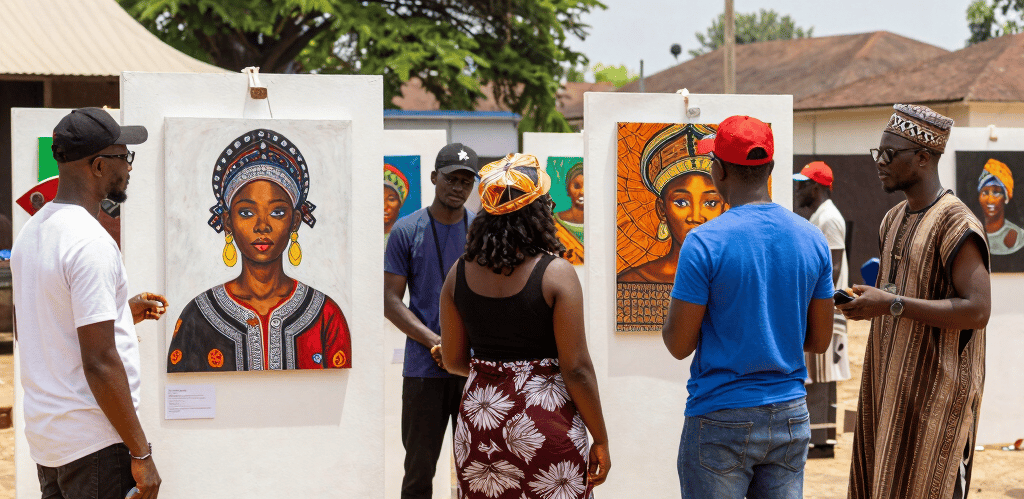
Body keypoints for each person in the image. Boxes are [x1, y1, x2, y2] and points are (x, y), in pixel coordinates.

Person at [662, 115, 834, 499]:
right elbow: (820, 340)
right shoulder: (812, 239)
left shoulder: (703, 243)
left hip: (720, 414)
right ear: (770, 169)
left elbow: (677, 345)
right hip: (789, 412)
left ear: (718, 171)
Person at [12, 107, 168, 499]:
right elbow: (99, 362)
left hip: (52, 441)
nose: (129, 168)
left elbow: (49, 322)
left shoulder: (33, 233)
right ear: (98, 165)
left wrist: (118, 313)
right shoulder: (91, 242)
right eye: (124, 157)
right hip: (95, 445)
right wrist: (141, 452)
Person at [840, 104, 990, 499]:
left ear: (923, 158)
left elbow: (978, 309)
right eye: (878, 153)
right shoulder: (892, 219)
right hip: (890, 394)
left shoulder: (958, 223)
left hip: (936, 403)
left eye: (890, 154)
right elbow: (899, 296)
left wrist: (891, 305)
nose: (880, 163)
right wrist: (868, 304)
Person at [439, 153, 610, 499]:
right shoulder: (555, 273)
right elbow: (576, 367)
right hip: (545, 423)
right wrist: (601, 438)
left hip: (479, 427)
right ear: (538, 211)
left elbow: (454, 361)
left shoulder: (459, 272)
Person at [167, 129, 351, 372]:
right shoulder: (198, 315)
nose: (262, 226)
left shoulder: (326, 315)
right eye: (246, 212)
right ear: (228, 221)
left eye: (277, 212)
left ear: (295, 221)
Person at [385, 143, 480, 499]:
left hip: (474, 368)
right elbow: (389, 300)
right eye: (451, 179)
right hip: (424, 369)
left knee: (478, 467)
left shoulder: (481, 231)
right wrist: (433, 341)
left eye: (465, 182)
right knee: (419, 471)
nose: (457, 187)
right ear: (433, 177)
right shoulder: (407, 230)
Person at [793, 161, 851, 457]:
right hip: (826, 306)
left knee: (816, 375)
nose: (798, 190)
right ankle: (823, 440)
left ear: (815, 187)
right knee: (821, 375)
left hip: (825, 308)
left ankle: (819, 442)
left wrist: (815, 303)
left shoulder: (827, 218)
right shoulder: (822, 216)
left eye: (802, 184)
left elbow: (834, 263)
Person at [618, 124, 725, 283]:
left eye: (710, 202)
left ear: (723, 208)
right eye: (681, 202)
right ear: (662, 209)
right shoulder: (632, 281)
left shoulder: (737, 281)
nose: (696, 218)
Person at [977, 158, 1023, 255]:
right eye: (985, 192)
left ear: (1006, 198)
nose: (990, 200)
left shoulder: (1018, 236)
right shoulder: (973, 235)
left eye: (996, 193)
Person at [552, 161, 585, 264]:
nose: (582, 192)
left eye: (588, 186)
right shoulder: (554, 223)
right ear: (568, 189)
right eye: (576, 186)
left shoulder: (602, 223)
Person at [385, 162, 411, 245]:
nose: (384, 206)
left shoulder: (406, 240)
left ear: (400, 204)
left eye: (391, 199)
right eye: (380, 199)